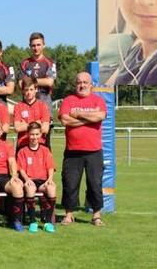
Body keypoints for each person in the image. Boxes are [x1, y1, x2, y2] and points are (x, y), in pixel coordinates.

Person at [58, 72, 107, 226]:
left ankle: (96, 215)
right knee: (70, 183)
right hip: (73, 152)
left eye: (85, 82)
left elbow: (100, 116)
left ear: (91, 85)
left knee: (94, 184)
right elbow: (65, 120)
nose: (82, 85)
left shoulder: (98, 100)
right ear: (75, 84)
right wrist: (89, 120)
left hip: (94, 151)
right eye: (79, 82)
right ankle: (68, 214)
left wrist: (78, 114)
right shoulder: (68, 100)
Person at [17, 122, 57, 233]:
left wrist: (50, 179)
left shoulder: (45, 150)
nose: (34, 137)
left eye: (36, 134)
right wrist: (27, 180)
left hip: (43, 181)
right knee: (30, 189)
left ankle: (48, 222)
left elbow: (50, 167)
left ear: (40, 135)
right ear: (28, 135)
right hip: (30, 180)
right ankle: (33, 222)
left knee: (52, 188)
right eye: (32, 134)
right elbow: (21, 169)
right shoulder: (22, 151)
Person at [19, 32, 57, 107]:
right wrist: (41, 81)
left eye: (38, 45)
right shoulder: (24, 63)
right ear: (30, 46)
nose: (36, 48)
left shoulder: (50, 62)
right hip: (27, 101)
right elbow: (21, 84)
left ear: (44, 45)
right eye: (33, 46)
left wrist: (29, 81)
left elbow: (49, 82)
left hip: (44, 100)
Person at [13, 76, 51, 149]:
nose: (28, 92)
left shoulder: (43, 106)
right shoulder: (18, 107)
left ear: (36, 90)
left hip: (40, 145)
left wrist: (25, 125)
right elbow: (17, 128)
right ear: (23, 91)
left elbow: (45, 129)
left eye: (31, 89)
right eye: (26, 90)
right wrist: (37, 123)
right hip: (23, 145)